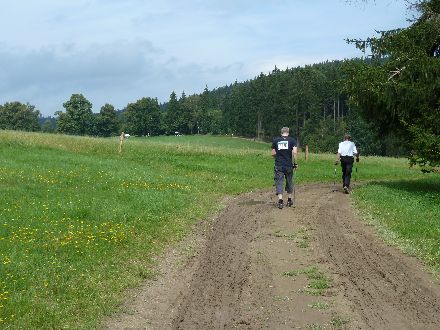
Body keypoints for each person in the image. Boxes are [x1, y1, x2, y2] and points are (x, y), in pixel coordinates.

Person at [272, 127, 298, 209]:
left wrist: (278, 157)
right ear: (288, 132)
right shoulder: (292, 140)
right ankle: (289, 200)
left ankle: (280, 201)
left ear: (281, 132)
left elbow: (273, 153)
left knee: (279, 181)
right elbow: (294, 152)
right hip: (288, 165)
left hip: (279, 165)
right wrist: (295, 163)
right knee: (289, 181)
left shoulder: (276, 140)